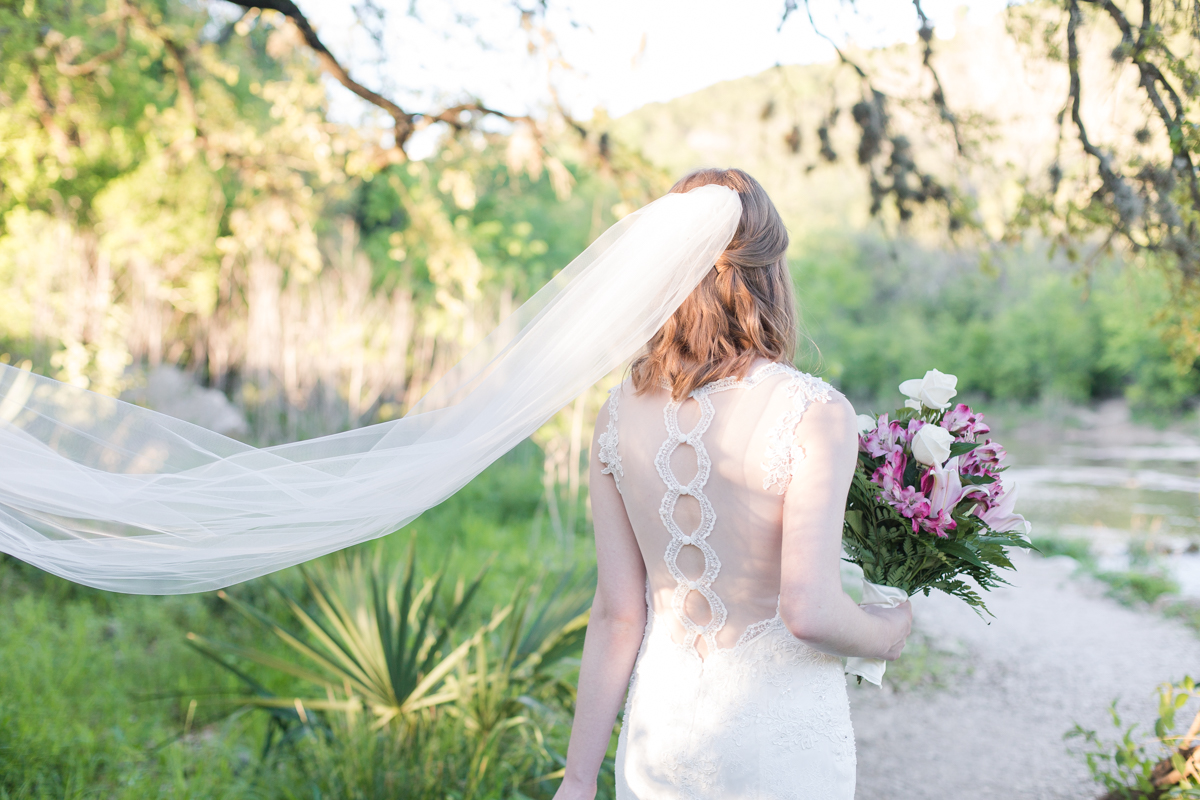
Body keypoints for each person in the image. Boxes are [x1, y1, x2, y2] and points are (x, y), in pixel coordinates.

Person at [552, 168, 913, 800]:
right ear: (769, 272)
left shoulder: (616, 413)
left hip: (658, 735)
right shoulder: (813, 410)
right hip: (774, 737)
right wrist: (887, 632)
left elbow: (615, 614)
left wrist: (578, 780)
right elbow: (809, 612)